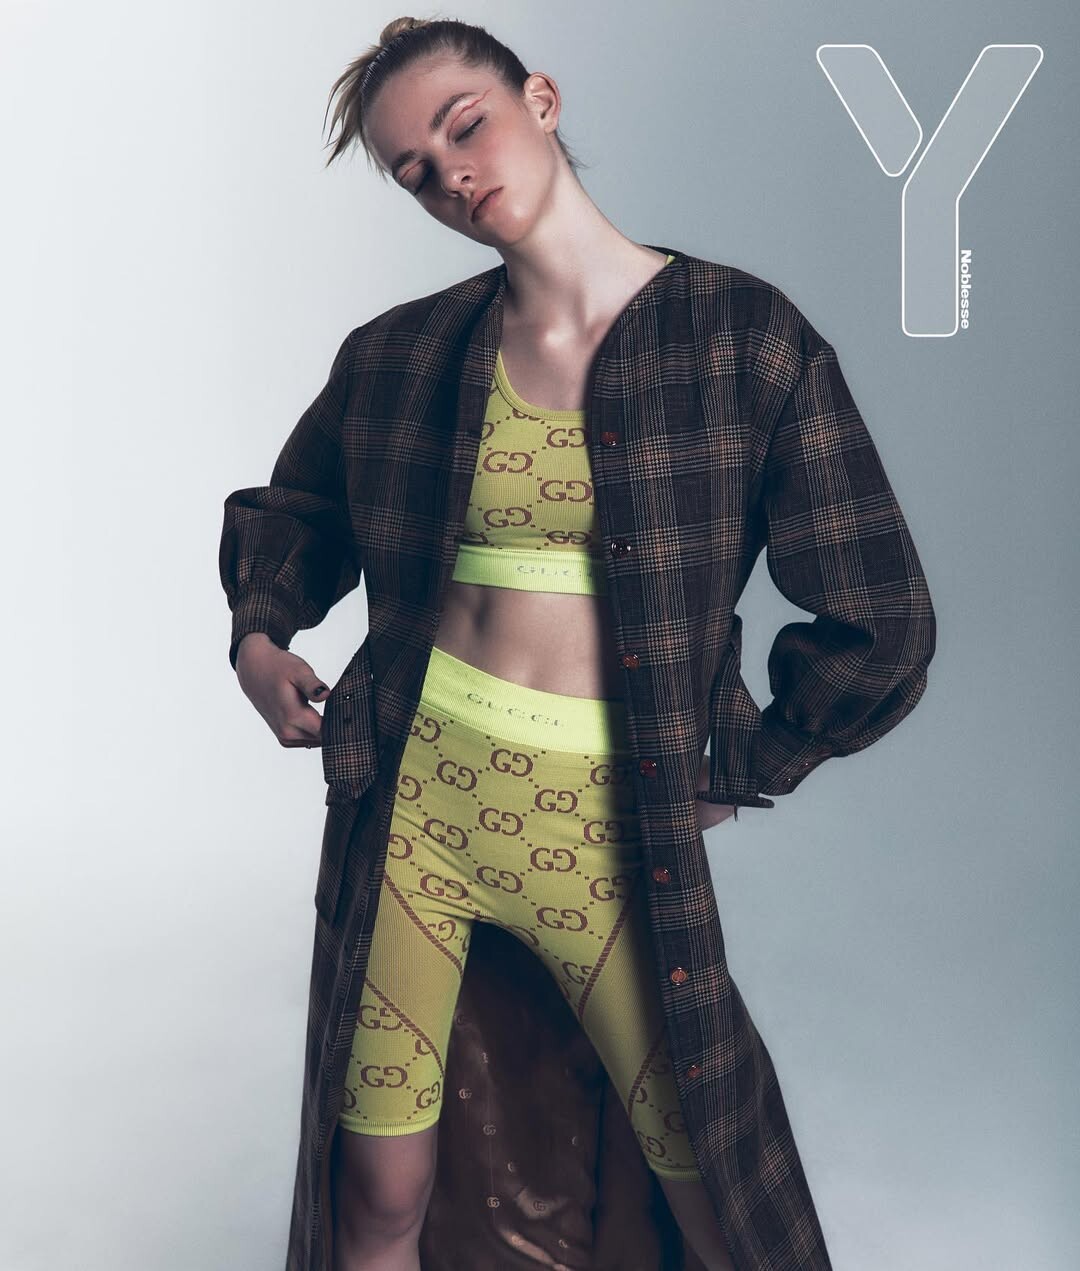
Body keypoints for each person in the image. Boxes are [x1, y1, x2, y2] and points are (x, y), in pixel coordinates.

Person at [220, 15, 936, 1271]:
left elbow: (882, 606)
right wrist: (258, 634)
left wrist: (754, 754)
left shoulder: (742, 340)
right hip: (416, 806)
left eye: (466, 127)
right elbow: (302, 508)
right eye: (415, 170)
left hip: (605, 825)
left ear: (540, 100)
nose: (453, 174)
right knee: (376, 1191)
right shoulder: (401, 354)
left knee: (712, 1189)